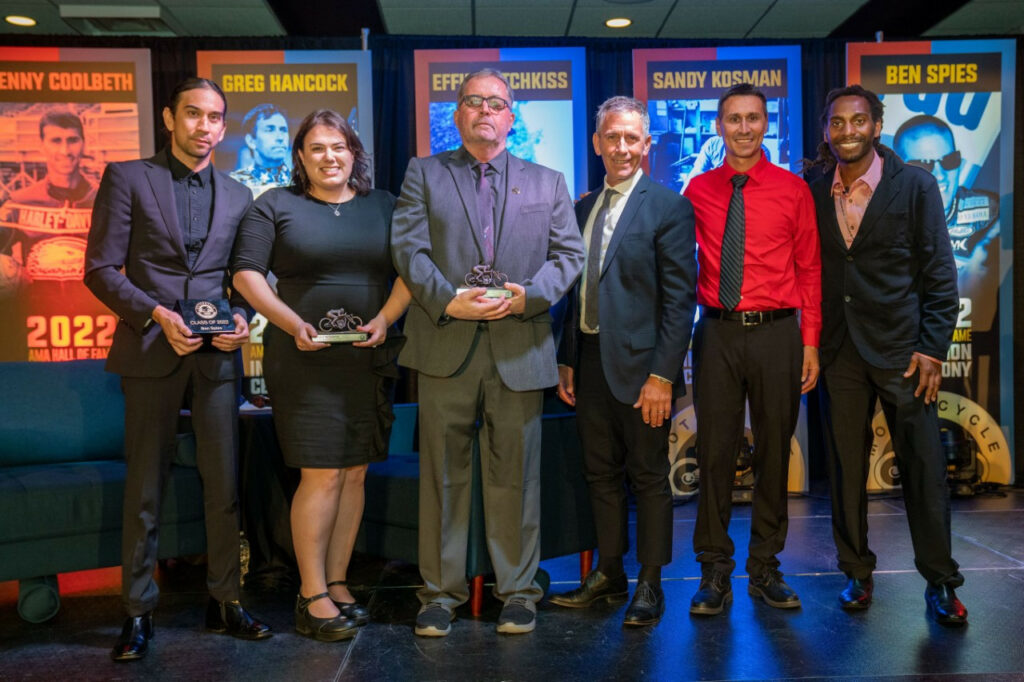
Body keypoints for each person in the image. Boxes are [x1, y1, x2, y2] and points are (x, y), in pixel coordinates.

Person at [391, 68, 584, 637]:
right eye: (473, 101)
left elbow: (568, 257)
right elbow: (407, 247)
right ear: (457, 114)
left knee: (516, 477)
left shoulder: (547, 181)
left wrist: (530, 297)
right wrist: (450, 301)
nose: (484, 110)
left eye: (496, 103)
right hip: (445, 343)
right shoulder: (424, 174)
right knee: (442, 479)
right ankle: (438, 595)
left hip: (520, 346)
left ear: (511, 115)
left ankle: (518, 591)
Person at [84, 77, 272, 662]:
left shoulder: (240, 195)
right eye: (193, 114)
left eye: (215, 118)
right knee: (145, 486)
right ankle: (138, 612)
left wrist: (241, 317)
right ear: (170, 118)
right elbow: (100, 269)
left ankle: (225, 601)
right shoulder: (128, 178)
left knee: (224, 486)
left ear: (223, 126)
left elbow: (242, 277)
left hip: (216, 356)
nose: (204, 127)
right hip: (150, 348)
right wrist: (157, 314)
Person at [232, 109, 412, 641]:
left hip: (368, 358)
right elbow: (245, 274)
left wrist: (385, 318)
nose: (329, 156)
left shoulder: (384, 206)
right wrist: (290, 324)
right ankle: (310, 595)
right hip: (303, 359)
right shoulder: (275, 206)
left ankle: (336, 582)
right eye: (316, 148)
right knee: (322, 473)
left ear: (354, 153)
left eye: (339, 147)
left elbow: (409, 272)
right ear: (300, 158)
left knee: (354, 471)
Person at [809, 85, 966, 626]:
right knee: (845, 469)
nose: (847, 131)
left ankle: (941, 581)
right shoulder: (812, 188)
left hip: (904, 351)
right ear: (826, 129)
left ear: (876, 126)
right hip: (839, 351)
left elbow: (940, 273)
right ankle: (856, 571)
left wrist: (931, 346)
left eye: (858, 121)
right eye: (837, 122)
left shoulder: (916, 186)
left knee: (923, 468)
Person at [549, 96, 696, 626]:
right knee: (599, 475)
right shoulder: (582, 207)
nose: (622, 147)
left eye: (632, 138)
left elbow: (680, 302)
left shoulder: (669, 207)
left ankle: (651, 584)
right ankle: (608, 573)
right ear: (597, 143)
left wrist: (663, 375)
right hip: (587, 364)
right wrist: (567, 359)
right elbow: (573, 292)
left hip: (643, 373)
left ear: (647, 144)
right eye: (612, 137)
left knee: (649, 478)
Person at [683, 83, 821, 616]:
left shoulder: (793, 190)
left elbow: (810, 270)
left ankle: (765, 566)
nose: (744, 127)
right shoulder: (697, 190)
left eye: (754, 118)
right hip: (716, 331)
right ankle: (714, 570)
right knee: (714, 453)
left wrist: (810, 343)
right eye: (734, 119)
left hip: (778, 335)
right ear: (720, 127)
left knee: (772, 452)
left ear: (767, 125)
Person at [0, 109, 99, 359]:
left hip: (98, 325)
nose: (65, 151)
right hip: (36, 325)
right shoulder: (19, 202)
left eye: (72, 140)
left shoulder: (105, 200)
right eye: (56, 140)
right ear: (41, 145)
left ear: (83, 143)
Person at [892, 114, 998, 330]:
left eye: (949, 161)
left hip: (974, 342)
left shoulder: (991, 212)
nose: (941, 175)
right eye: (925, 164)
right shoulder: (882, 220)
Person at [230, 103, 291, 198]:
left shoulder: (303, 182)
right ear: (251, 141)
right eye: (270, 130)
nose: (280, 138)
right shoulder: (234, 184)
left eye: (283, 130)